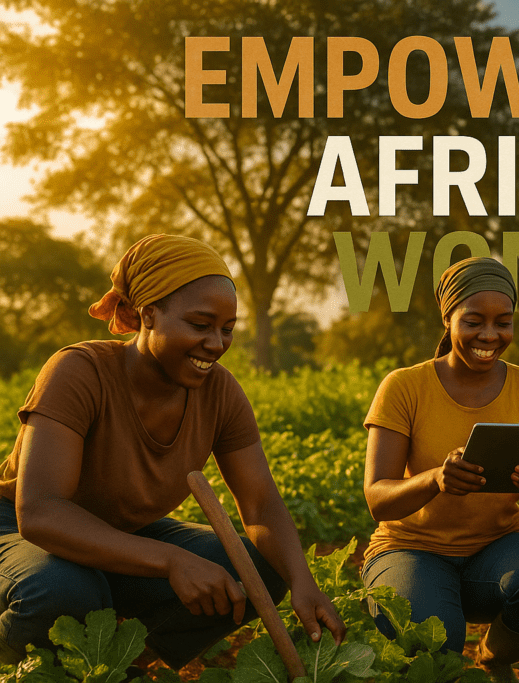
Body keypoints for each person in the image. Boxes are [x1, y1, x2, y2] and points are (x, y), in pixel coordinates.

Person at [0, 234, 344, 668]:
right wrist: (171, 560)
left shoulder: (220, 392)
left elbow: (259, 502)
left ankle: (128, 667)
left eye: (227, 329)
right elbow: (42, 512)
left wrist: (302, 581)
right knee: (63, 590)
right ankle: (26, 665)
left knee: (260, 569)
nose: (217, 344)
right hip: (15, 530)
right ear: (149, 315)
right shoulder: (79, 372)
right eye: (200, 325)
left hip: (124, 536)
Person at [361, 257, 519, 681]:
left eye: (504, 322)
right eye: (474, 321)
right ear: (449, 320)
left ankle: (495, 658)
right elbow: (377, 500)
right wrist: (435, 479)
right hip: (410, 548)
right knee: (433, 639)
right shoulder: (404, 385)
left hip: (497, 547)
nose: (490, 335)